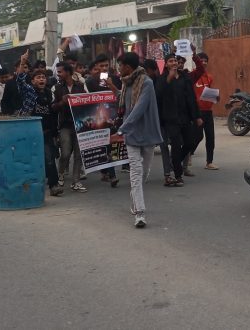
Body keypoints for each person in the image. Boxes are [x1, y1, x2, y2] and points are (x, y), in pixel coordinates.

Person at [114, 52, 164, 228]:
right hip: (132, 134)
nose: (119, 69)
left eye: (120, 65)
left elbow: (139, 108)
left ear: (128, 67)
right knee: (135, 173)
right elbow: (125, 103)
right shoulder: (126, 83)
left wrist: (122, 129)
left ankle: (135, 199)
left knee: (143, 173)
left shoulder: (146, 83)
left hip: (147, 133)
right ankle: (140, 213)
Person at [155, 54, 201, 187]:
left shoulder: (184, 77)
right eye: (171, 61)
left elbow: (191, 98)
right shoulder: (162, 79)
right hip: (170, 118)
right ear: (166, 64)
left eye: (175, 61)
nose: (174, 63)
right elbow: (158, 95)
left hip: (184, 117)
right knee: (175, 146)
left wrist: (197, 116)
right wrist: (168, 79)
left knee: (190, 142)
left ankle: (174, 163)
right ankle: (178, 175)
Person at [52, 62, 89, 192]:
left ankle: (76, 181)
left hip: (79, 125)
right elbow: (53, 107)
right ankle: (61, 173)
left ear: (67, 72)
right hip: (65, 125)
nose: (58, 74)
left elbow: (88, 101)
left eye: (60, 71)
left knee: (79, 154)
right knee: (66, 153)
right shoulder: (56, 88)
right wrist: (62, 101)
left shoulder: (80, 86)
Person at [85, 54, 121, 186]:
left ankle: (109, 173)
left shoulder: (115, 79)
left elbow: (119, 95)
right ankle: (109, 173)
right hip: (97, 119)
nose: (104, 68)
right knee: (103, 145)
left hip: (112, 117)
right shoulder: (90, 81)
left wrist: (110, 85)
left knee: (110, 145)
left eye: (106, 65)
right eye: (101, 66)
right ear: (96, 66)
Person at [31, 70, 64, 196]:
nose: (41, 79)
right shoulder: (29, 93)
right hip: (32, 132)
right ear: (33, 81)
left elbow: (53, 114)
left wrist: (55, 132)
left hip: (46, 132)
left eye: (43, 77)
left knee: (50, 158)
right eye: (38, 77)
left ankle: (53, 185)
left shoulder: (49, 93)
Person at [188, 51, 218, 172]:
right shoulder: (193, 76)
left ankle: (209, 162)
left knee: (210, 137)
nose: (204, 63)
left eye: (206, 61)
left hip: (208, 110)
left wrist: (216, 97)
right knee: (198, 136)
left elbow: (210, 93)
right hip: (197, 112)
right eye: (202, 61)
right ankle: (189, 153)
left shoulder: (209, 77)